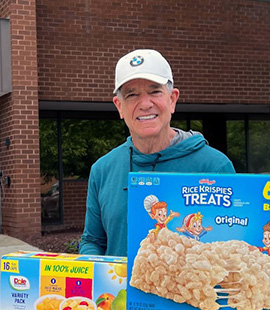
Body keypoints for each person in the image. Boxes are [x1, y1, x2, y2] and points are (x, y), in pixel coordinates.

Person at [79, 49, 235, 256]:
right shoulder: (103, 170)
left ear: (172, 100)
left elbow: (230, 246)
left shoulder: (214, 167)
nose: (145, 104)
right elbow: (93, 240)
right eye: (132, 94)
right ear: (119, 106)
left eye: (155, 92)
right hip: (117, 290)